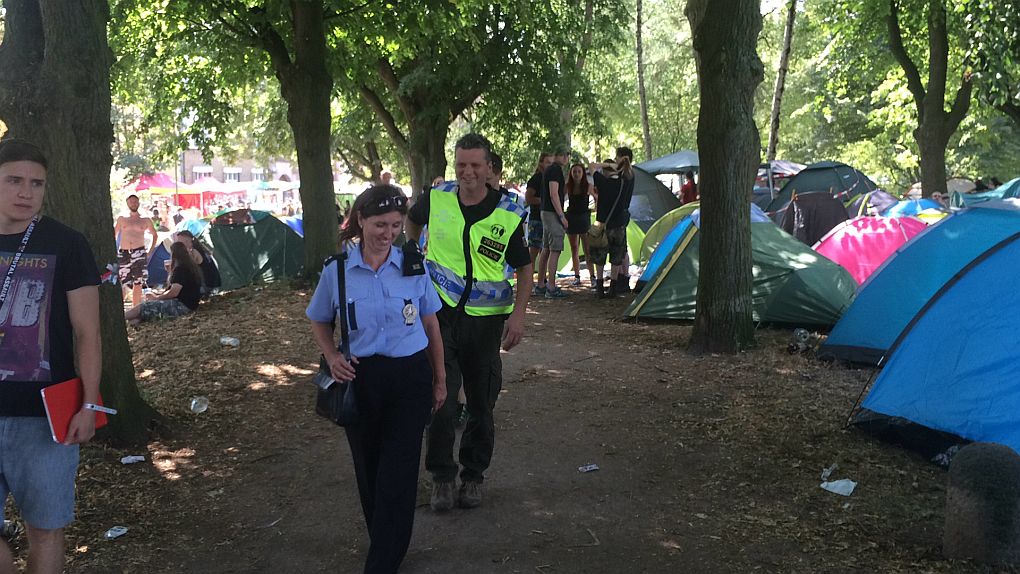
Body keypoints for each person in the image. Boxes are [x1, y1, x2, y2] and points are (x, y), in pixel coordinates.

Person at [307, 184, 446, 574]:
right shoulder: (337, 270)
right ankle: (385, 542)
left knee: (399, 470)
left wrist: (440, 378)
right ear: (361, 221)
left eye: (396, 225)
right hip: (361, 379)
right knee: (369, 469)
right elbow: (319, 318)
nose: (388, 233)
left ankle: (383, 561)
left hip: (409, 376)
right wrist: (332, 355)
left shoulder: (413, 265)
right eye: (380, 224)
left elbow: (430, 323)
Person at [405, 133, 532, 511]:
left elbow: (525, 269)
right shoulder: (438, 197)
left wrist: (519, 316)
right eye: (461, 164)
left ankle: (473, 476)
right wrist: (413, 254)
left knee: (481, 402)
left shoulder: (508, 213)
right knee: (441, 398)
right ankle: (442, 477)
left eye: (475, 165)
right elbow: (412, 222)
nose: (468, 172)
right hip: (439, 314)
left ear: (489, 167)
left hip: (485, 323)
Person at [0, 139, 101, 574]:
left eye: (37, 184)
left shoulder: (67, 243)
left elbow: (88, 332)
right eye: (14, 180)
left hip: (44, 418)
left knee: (45, 531)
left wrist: (90, 404)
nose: (26, 192)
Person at [589, 147, 636, 298]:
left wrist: (607, 164)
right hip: (619, 225)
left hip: (602, 224)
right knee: (617, 256)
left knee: (600, 256)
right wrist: (617, 166)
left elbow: (591, 166)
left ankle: (599, 288)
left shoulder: (602, 181)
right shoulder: (625, 181)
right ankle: (613, 288)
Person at [124, 242, 202, 324]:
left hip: (181, 306)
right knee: (136, 319)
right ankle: (126, 324)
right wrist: (170, 272)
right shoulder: (190, 268)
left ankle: (120, 318)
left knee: (141, 307)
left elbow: (174, 292)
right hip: (189, 305)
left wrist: (156, 298)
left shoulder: (181, 270)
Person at [113, 193, 158, 308]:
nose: (133, 204)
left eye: (135, 202)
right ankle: (120, 308)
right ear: (127, 204)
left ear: (138, 203)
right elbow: (114, 234)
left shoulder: (145, 220)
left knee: (138, 281)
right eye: (131, 202)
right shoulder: (122, 219)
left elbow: (154, 235)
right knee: (123, 281)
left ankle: (136, 308)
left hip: (139, 252)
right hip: (124, 252)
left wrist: (150, 251)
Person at [538, 148, 570, 298]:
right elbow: (553, 194)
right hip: (552, 213)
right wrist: (561, 216)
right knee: (555, 249)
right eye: (566, 156)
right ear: (562, 156)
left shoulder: (549, 170)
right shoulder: (555, 170)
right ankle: (551, 287)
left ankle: (541, 284)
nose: (567, 159)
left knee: (546, 248)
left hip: (545, 211)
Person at [564, 162, 595, 287]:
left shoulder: (588, 186)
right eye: (574, 172)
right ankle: (577, 276)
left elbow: (596, 196)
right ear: (571, 173)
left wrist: (596, 209)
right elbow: (560, 198)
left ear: (583, 173)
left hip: (584, 219)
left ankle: (592, 276)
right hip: (571, 218)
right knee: (574, 248)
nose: (576, 174)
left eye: (579, 171)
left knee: (587, 249)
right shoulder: (568, 186)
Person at [524, 153, 551, 290]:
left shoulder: (549, 179)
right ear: (541, 164)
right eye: (547, 163)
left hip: (547, 219)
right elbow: (528, 199)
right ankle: (528, 281)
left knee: (545, 252)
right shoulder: (536, 179)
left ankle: (542, 280)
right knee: (533, 252)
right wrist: (545, 200)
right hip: (536, 220)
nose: (550, 166)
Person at [174, 230, 221, 295]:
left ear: (187, 241)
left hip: (207, 286)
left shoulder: (194, 252)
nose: (178, 244)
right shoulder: (201, 249)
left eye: (179, 242)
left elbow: (186, 269)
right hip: (214, 284)